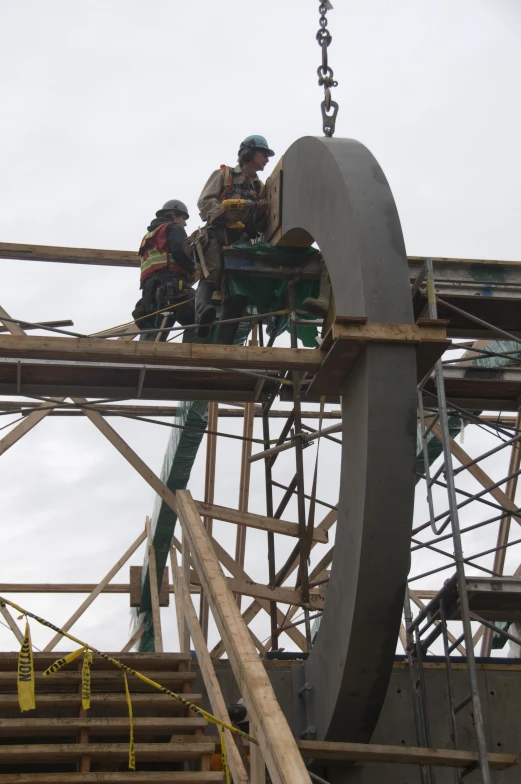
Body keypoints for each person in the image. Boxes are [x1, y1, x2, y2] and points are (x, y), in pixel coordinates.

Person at [193, 135, 275, 344]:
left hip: (241, 240)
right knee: (210, 276)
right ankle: (202, 315)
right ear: (248, 153)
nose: (267, 159)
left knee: (237, 290)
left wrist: (260, 212)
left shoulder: (259, 187)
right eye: (263, 154)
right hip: (217, 234)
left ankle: (224, 343)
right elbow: (204, 202)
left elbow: (260, 222)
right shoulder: (224, 175)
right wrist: (224, 212)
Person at [133, 199, 200, 343]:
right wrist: (193, 267)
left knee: (153, 329)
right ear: (174, 214)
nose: (185, 223)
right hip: (172, 284)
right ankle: (191, 358)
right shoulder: (174, 228)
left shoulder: (149, 236)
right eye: (183, 217)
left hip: (150, 291)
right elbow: (179, 250)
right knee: (199, 316)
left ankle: (142, 363)